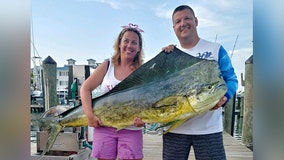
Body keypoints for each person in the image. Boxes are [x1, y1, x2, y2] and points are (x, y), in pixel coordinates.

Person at [161, 5, 238, 160]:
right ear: (174, 27)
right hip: (175, 129)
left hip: (208, 130)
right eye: (178, 21)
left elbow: (231, 79)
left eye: (187, 18)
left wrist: (224, 97)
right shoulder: (169, 55)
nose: (183, 23)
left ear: (196, 21)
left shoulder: (216, 49)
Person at [80, 24, 145, 160]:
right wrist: (90, 116)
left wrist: (145, 120)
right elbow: (85, 88)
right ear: (119, 44)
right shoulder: (108, 65)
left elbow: (148, 100)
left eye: (134, 42)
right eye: (126, 41)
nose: (129, 45)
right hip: (104, 127)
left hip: (131, 129)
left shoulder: (143, 71)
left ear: (139, 48)